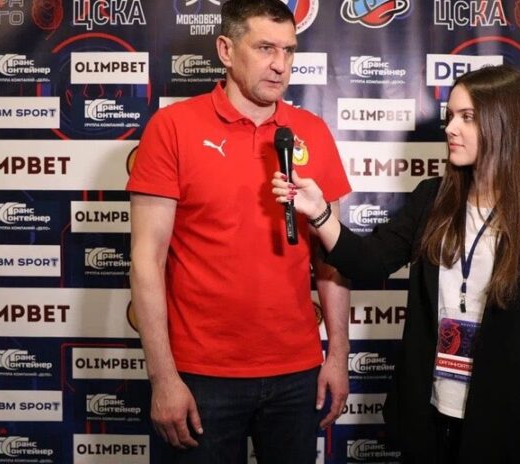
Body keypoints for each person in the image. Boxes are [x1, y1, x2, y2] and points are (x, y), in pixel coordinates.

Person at [272, 65, 520, 463]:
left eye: (467, 117)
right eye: (450, 116)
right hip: (428, 419)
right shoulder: (432, 198)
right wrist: (320, 213)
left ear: (505, 122)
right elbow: (369, 262)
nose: (450, 129)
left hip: (508, 425)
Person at [127, 1, 351, 462]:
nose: (280, 64)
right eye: (265, 48)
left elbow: (332, 258)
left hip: (298, 373)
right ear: (226, 50)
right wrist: (162, 377)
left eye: (289, 50)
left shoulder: (312, 131)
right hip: (200, 375)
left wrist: (338, 357)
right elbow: (146, 261)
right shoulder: (172, 128)